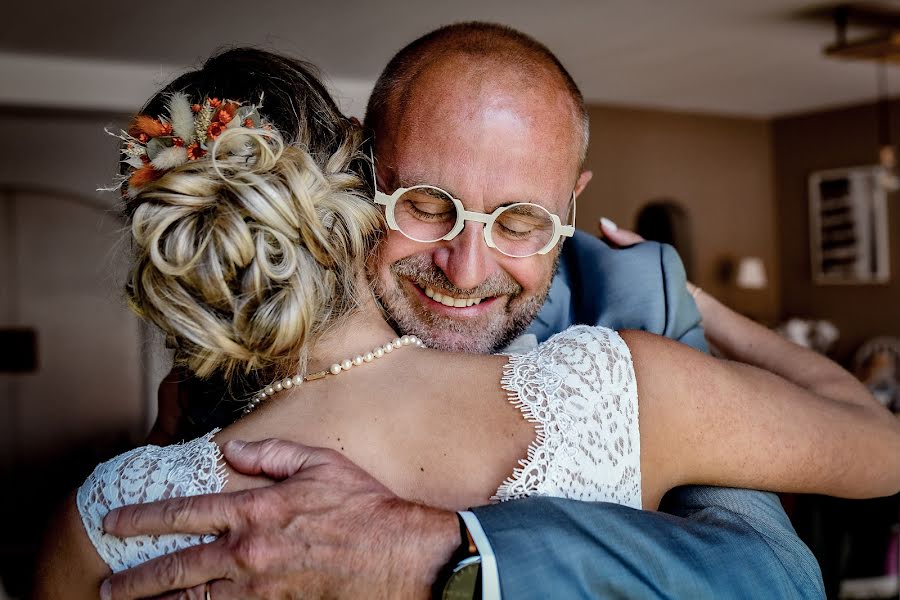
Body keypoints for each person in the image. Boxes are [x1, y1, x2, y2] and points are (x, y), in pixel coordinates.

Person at [34, 46, 900, 600]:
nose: (467, 268)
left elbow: (780, 554)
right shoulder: (625, 386)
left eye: (521, 222)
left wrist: (692, 304)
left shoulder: (110, 511)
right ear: (359, 185)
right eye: (424, 206)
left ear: (573, 205)